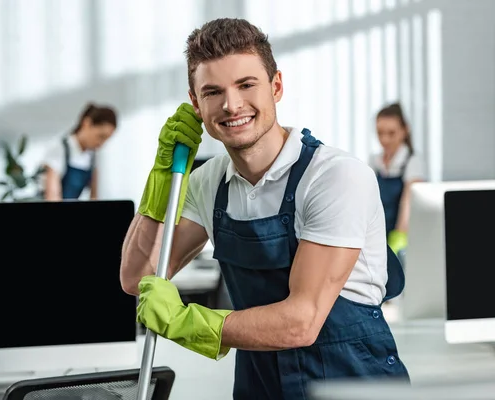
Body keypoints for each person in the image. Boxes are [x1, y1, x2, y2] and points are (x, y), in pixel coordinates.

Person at [120, 18, 409, 399]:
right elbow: (138, 277)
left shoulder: (334, 177)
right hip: (261, 387)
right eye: (212, 92)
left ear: (276, 86)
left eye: (246, 85)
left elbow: (303, 321)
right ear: (195, 103)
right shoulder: (209, 183)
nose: (231, 104)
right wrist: (160, 178)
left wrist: (188, 322)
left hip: (351, 386)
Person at [369, 103, 425, 258]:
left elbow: (408, 203)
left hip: (401, 237)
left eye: (391, 133)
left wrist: (398, 237)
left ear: (404, 130)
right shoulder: (374, 161)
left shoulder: (412, 161)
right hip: (377, 235)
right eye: (380, 133)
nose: (385, 139)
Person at [40, 103, 117, 200]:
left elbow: (94, 198)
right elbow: (52, 197)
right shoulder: (59, 148)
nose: (101, 144)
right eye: (100, 136)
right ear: (86, 123)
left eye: (106, 139)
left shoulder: (92, 156)